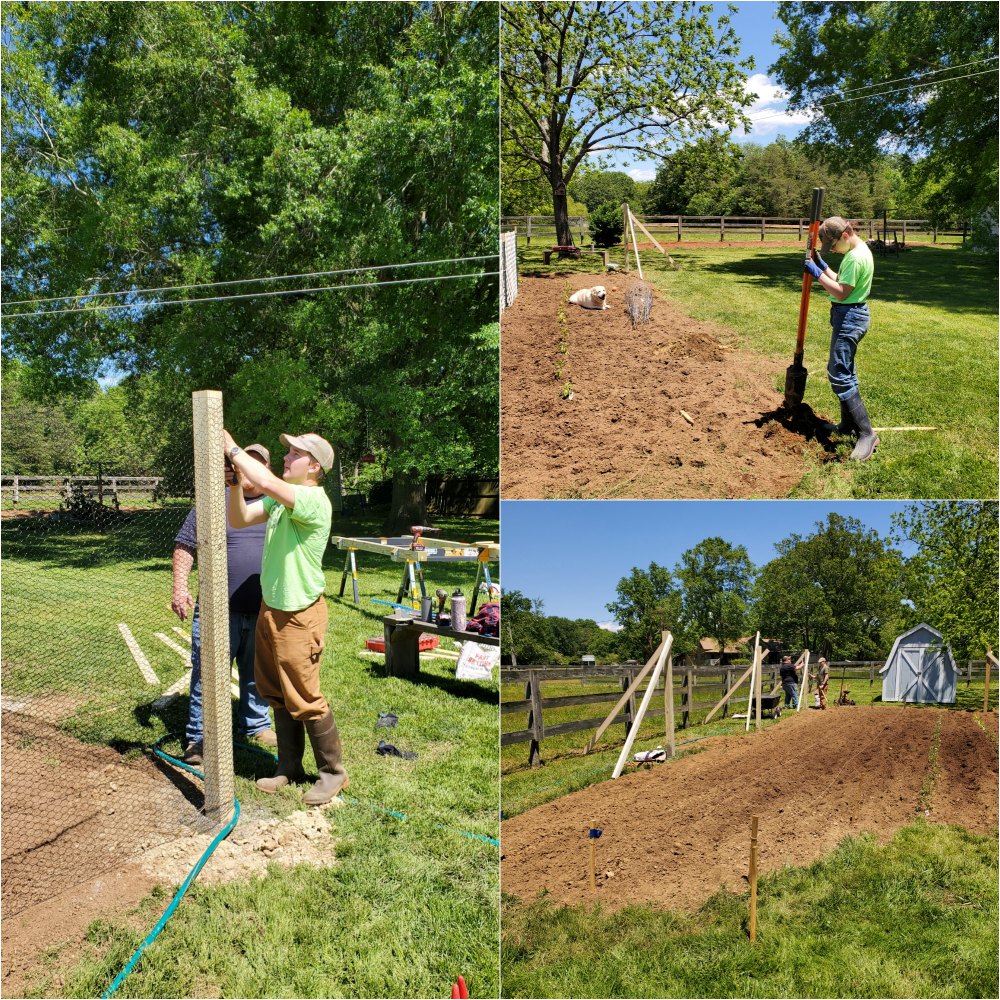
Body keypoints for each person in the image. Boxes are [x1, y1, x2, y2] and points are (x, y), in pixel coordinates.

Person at [222, 429, 348, 806]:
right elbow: (241, 517)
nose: (288, 457)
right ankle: (289, 766)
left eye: (296, 453)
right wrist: (234, 484)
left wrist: (230, 447)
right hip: (271, 609)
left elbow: (263, 479)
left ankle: (332, 774)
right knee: (277, 693)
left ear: (314, 467)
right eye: (289, 451)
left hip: (299, 613)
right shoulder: (281, 503)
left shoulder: (311, 499)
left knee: (305, 695)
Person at [171, 444, 276, 764]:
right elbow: (185, 544)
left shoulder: (276, 506)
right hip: (216, 611)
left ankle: (255, 724)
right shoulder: (213, 503)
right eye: (243, 464)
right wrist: (179, 587)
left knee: (257, 672)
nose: (248, 470)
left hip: (263, 608)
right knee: (207, 676)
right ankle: (199, 737)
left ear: (267, 471)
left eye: (257, 465)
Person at [803, 216, 878, 462]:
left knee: (838, 372)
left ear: (844, 235)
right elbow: (842, 280)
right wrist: (822, 266)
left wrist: (816, 274)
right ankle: (847, 425)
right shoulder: (857, 251)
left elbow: (841, 291)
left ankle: (867, 434)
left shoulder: (855, 257)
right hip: (849, 314)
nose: (833, 250)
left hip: (850, 317)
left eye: (832, 246)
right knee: (846, 369)